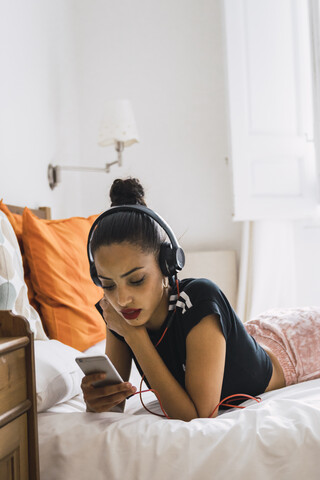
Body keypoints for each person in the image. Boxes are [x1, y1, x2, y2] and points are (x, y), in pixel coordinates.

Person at [81, 178, 320, 421]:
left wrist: (135, 336)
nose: (121, 299)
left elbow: (199, 416)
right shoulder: (118, 311)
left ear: (167, 266)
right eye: (108, 285)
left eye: (137, 280)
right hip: (251, 340)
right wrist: (96, 399)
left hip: (296, 348)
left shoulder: (200, 298)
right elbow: (114, 404)